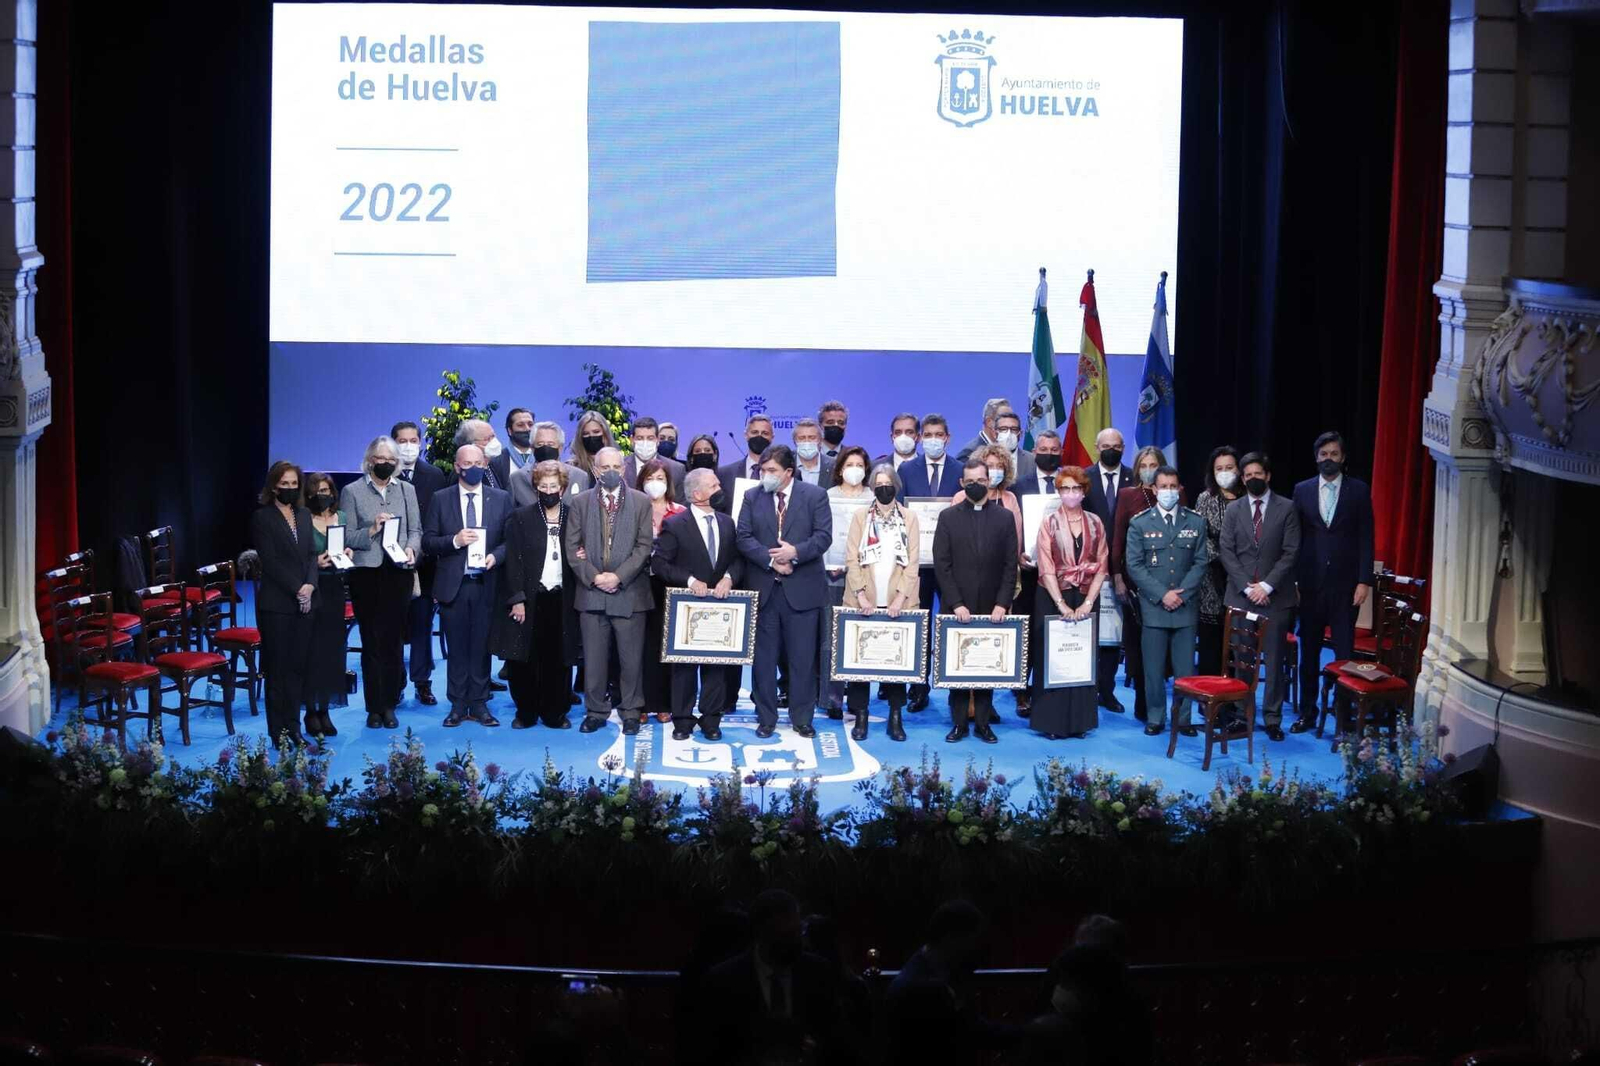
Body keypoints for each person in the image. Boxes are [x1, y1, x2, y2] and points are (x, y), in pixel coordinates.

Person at [736, 443, 832, 739]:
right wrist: (771, 561)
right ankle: (766, 717)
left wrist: (795, 552)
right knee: (763, 660)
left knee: (802, 658)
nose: (765, 475)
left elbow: (823, 537)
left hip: (802, 591)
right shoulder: (753, 496)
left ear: (788, 472)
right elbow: (743, 537)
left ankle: (802, 717)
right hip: (766, 590)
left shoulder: (815, 496)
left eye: (772, 470)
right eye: (763, 470)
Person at [699, 890, 848, 1065]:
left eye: (797, 932)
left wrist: (817, 1050)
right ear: (760, 933)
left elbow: (837, 1038)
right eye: (784, 935)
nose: (795, 942)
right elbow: (711, 1049)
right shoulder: (722, 981)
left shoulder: (819, 972)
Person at [566, 446, 655, 735]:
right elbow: (571, 546)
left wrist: (617, 576)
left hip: (629, 593)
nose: (612, 472)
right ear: (595, 469)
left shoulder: (642, 502)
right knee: (593, 660)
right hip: (591, 594)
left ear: (625, 468)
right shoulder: (579, 502)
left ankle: (631, 711)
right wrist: (594, 577)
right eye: (605, 468)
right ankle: (595, 711)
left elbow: (644, 547)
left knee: (631, 660)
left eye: (616, 466)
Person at [1291, 431, 1376, 733]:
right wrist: (1294, 581)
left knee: (1344, 654)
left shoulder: (1358, 490)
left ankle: (1343, 716)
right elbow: (1295, 538)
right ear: (1316, 457)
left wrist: (1364, 581)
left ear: (1343, 458)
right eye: (1324, 454)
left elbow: (1367, 537)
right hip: (1310, 585)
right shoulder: (1301, 490)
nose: (1329, 459)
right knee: (1308, 653)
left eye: (1334, 454)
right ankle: (1307, 713)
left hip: (1345, 586)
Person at [652, 467, 744, 741]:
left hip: (719, 605)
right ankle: (682, 719)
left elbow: (738, 559)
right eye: (714, 486)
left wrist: (729, 577)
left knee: (716, 664)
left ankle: (711, 719)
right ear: (696, 494)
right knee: (685, 666)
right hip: (688, 606)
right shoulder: (675, 524)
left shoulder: (728, 523)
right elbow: (660, 564)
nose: (720, 490)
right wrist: (690, 580)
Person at [423, 444, 511, 727]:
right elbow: (427, 541)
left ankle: (480, 703)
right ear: (457, 466)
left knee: (482, 647)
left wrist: (495, 557)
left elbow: (509, 542)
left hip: (486, 582)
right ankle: (458, 704)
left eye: (478, 462)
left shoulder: (501, 498)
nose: (473, 467)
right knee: (458, 648)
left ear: (484, 465)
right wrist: (454, 541)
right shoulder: (441, 498)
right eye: (467, 463)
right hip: (454, 584)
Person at [933, 458, 1019, 744]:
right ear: (961, 483)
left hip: (992, 606)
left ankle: (983, 723)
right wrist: (956, 603)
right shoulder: (948, 517)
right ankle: (958, 724)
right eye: (969, 481)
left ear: (989, 481)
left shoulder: (1005, 517)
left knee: (985, 666)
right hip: (957, 606)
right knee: (958, 667)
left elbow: (1010, 566)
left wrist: (1002, 603)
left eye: (981, 480)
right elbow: (941, 565)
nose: (975, 485)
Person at [339, 436, 421, 729]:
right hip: (367, 573)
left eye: (391, 460)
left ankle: (390, 704)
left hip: (398, 572)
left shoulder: (407, 490)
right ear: (370, 460)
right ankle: (373, 707)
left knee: (394, 641)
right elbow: (346, 535)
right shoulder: (352, 491)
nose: (385, 463)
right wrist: (371, 529)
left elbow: (415, 530)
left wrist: (413, 549)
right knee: (372, 641)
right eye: (380, 458)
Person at [1218, 452, 1301, 740]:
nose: (1253, 479)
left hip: (1275, 599)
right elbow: (1226, 551)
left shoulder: (1288, 508)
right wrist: (1247, 587)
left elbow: (1291, 552)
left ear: (1268, 475)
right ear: (1242, 478)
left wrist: (1266, 587)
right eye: (1248, 475)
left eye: (1258, 474)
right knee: (1242, 659)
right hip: (1240, 597)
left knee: (1274, 659)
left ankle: (1272, 718)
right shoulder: (1233, 509)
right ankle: (1242, 715)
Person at [490, 460, 578, 729]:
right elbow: (513, 561)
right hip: (530, 598)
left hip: (562, 598)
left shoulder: (574, 516)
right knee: (524, 658)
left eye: (554, 486)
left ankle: (555, 712)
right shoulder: (521, 517)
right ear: (536, 488)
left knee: (558, 659)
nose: (549, 490)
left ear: (562, 489)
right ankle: (525, 712)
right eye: (543, 486)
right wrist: (517, 598)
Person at [1125, 467, 1210, 739]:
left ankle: (1183, 719)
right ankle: (1156, 717)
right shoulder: (1140, 523)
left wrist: (1181, 594)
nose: (1169, 491)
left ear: (1180, 488)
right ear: (1153, 489)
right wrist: (1163, 594)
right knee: (1153, 669)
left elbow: (1200, 562)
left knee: (1185, 669)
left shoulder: (1195, 521)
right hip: (1154, 607)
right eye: (1163, 486)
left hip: (1185, 607)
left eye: (1173, 486)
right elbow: (1134, 566)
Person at [885, 900, 1017, 1064]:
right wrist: (1031, 1032)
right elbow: (972, 1032)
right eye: (973, 941)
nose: (977, 949)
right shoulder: (926, 988)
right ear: (952, 938)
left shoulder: (927, 973)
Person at [843, 462, 920, 742]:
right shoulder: (861, 516)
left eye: (888, 484)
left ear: (896, 487)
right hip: (863, 598)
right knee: (860, 660)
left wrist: (900, 598)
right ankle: (861, 716)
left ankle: (895, 718)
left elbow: (913, 563)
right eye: (878, 484)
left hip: (899, 598)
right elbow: (851, 558)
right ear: (873, 487)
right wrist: (861, 594)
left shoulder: (909, 517)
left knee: (896, 660)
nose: (883, 488)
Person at [1030, 465, 1108, 739]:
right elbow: (1046, 568)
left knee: (1081, 656)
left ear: (1084, 491)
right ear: (1059, 491)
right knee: (1052, 657)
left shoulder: (1096, 523)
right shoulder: (1048, 522)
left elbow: (1101, 566)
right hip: (1053, 597)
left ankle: (1080, 722)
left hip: (1086, 596)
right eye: (1065, 488)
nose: (1071, 493)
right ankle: (1052, 722)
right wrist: (1062, 604)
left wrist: (1088, 603)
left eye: (1076, 488)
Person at [250, 461, 319, 746]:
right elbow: (271, 562)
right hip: (277, 604)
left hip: (304, 603)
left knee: (297, 670)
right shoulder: (262, 518)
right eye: (284, 484)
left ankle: (294, 728)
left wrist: (310, 586)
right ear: (273, 486)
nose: (289, 488)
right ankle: (277, 731)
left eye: (294, 484)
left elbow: (312, 555)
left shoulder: (303, 514)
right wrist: (298, 589)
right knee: (278, 671)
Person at [900, 413, 963, 713]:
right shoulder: (906, 470)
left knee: (952, 622)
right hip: (918, 564)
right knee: (920, 624)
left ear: (947, 438)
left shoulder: (961, 470)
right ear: (920, 438)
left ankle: (957, 691)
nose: (933, 440)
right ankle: (919, 687)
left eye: (939, 434)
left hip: (953, 564)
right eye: (928, 435)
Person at [1111, 445, 1180, 723]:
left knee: (1164, 648)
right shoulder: (1128, 495)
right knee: (1138, 647)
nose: (1149, 470)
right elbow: (1118, 539)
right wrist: (1117, 576)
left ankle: (1162, 702)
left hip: (1167, 584)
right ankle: (1142, 703)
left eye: (1154, 465)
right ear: (1137, 468)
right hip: (1135, 583)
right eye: (1144, 465)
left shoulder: (1176, 494)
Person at [392, 420, 447, 707]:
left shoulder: (434, 475)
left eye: (414, 440)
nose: (409, 446)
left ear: (421, 442)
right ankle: (396, 681)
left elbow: (436, 521)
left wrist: (419, 552)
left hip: (424, 565)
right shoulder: (384, 474)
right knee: (393, 626)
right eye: (403, 440)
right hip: (389, 567)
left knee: (422, 625)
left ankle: (422, 683)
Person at [1085, 427, 1134, 714]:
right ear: (1096, 447)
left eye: (1116, 445)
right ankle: (1088, 687)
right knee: (1089, 631)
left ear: (1123, 447)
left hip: (1122, 568)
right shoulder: (1084, 478)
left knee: (1114, 634)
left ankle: (1107, 690)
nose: (1111, 450)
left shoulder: (1133, 478)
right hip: (1090, 567)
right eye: (1106, 445)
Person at [824, 446, 873, 723]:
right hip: (830, 574)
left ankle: (856, 699)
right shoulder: (826, 497)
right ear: (840, 468)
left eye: (860, 464)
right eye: (849, 463)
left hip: (863, 578)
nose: (854, 469)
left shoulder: (872, 498)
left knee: (856, 638)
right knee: (831, 640)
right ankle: (831, 699)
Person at [302, 472, 353, 736]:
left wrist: (347, 552)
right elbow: (297, 556)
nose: (324, 494)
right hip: (313, 588)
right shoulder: (302, 519)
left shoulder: (341, 517)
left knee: (333, 651)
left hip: (334, 589)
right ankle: (311, 711)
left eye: (327, 489)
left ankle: (325, 709)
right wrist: (314, 563)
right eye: (318, 490)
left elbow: (347, 544)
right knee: (313, 651)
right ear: (310, 494)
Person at [638, 458, 687, 723]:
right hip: (638, 584)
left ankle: (666, 703)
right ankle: (642, 703)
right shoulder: (633, 508)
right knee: (642, 645)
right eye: (649, 478)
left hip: (671, 585)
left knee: (668, 645)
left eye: (660, 478)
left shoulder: (680, 512)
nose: (654, 483)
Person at [1193, 445, 1243, 676]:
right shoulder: (1205, 499)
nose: (1224, 472)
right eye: (1219, 468)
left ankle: (1236, 696)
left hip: (1245, 579)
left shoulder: (1248, 498)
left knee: (1239, 640)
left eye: (1229, 468)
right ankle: (1210, 699)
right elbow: (1200, 537)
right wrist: (1223, 559)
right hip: (1212, 579)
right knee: (1211, 642)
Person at [511, 420, 591, 503]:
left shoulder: (580, 476)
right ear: (532, 448)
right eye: (540, 444)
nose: (545, 448)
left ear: (560, 448)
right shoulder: (517, 479)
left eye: (550, 444)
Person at [716, 413, 775, 513]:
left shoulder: (784, 473)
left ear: (772, 438)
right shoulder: (725, 474)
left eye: (765, 433)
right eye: (754, 432)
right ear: (746, 435)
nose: (759, 437)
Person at [622, 416, 687, 500]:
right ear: (632, 440)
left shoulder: (676, 470)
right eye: (640, 438)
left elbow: (680, 507)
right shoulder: (619, 466)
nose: (645, 443)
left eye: (650, 438)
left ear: (657, 440)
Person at [569, 409, 616, 486]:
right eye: (586, 433)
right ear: (580, 437)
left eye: (596, 432)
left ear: (605, 434)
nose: (591, 436)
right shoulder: (572, 468)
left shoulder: (617, 463)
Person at [955, 396, 1010, 462]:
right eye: (1004, 419)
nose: (1009, 424)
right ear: (989, 422)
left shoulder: (1008, 451)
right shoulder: (968, 455)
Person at [454, 418, 505, 490]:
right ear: (472, 444)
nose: (494, 441)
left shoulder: (492, 466)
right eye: (487, 439)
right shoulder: (464, 472)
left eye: (493, 436)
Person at [992, 407, 1037, 482]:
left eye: (1013, 429)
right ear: (994, 433)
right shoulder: (983, 459)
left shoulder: (1033, 461)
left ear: (1021, 434)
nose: (1009, 433)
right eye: (1003, 429)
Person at [494, 406, 537, 484]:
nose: (527, 429)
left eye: (530, 424)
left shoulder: (543, 457)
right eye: (520, 425)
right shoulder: (497, 461)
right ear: (510, 431)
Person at [1015, 429, 1063, 498]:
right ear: (1034, 453)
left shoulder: (1073, 482)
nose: (1049, 453)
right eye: (1043, 449)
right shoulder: (1019, 485)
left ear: (1061, 453)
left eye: (1054, 450)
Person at [791, 417, 833, 486]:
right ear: (794, 441)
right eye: (802, 438)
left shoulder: (833, 466)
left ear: (821, 440)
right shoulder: (785, 464)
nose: (807, 441)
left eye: (812, 437)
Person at [818, 399, 849, 463]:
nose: (836, 425)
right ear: (820, 426)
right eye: (830, 422)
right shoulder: (810, 455)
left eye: (841, 423)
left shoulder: (851, 455)